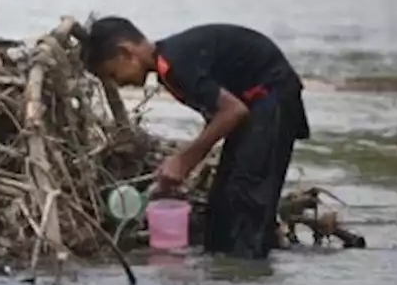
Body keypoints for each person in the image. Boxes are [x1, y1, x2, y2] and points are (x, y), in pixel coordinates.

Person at [80, 16, 310, 260]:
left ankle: (247, 276)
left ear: (126, 52)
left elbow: (233, 111)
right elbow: (222, 115)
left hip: (271, 99)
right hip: (254, 107)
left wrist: (184, 161)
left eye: (113, 74)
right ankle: (229, 277)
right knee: (221, 208)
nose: (119, 84)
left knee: (244, 203)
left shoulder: (175, 64)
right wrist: (183, 166)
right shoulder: (169, 69)